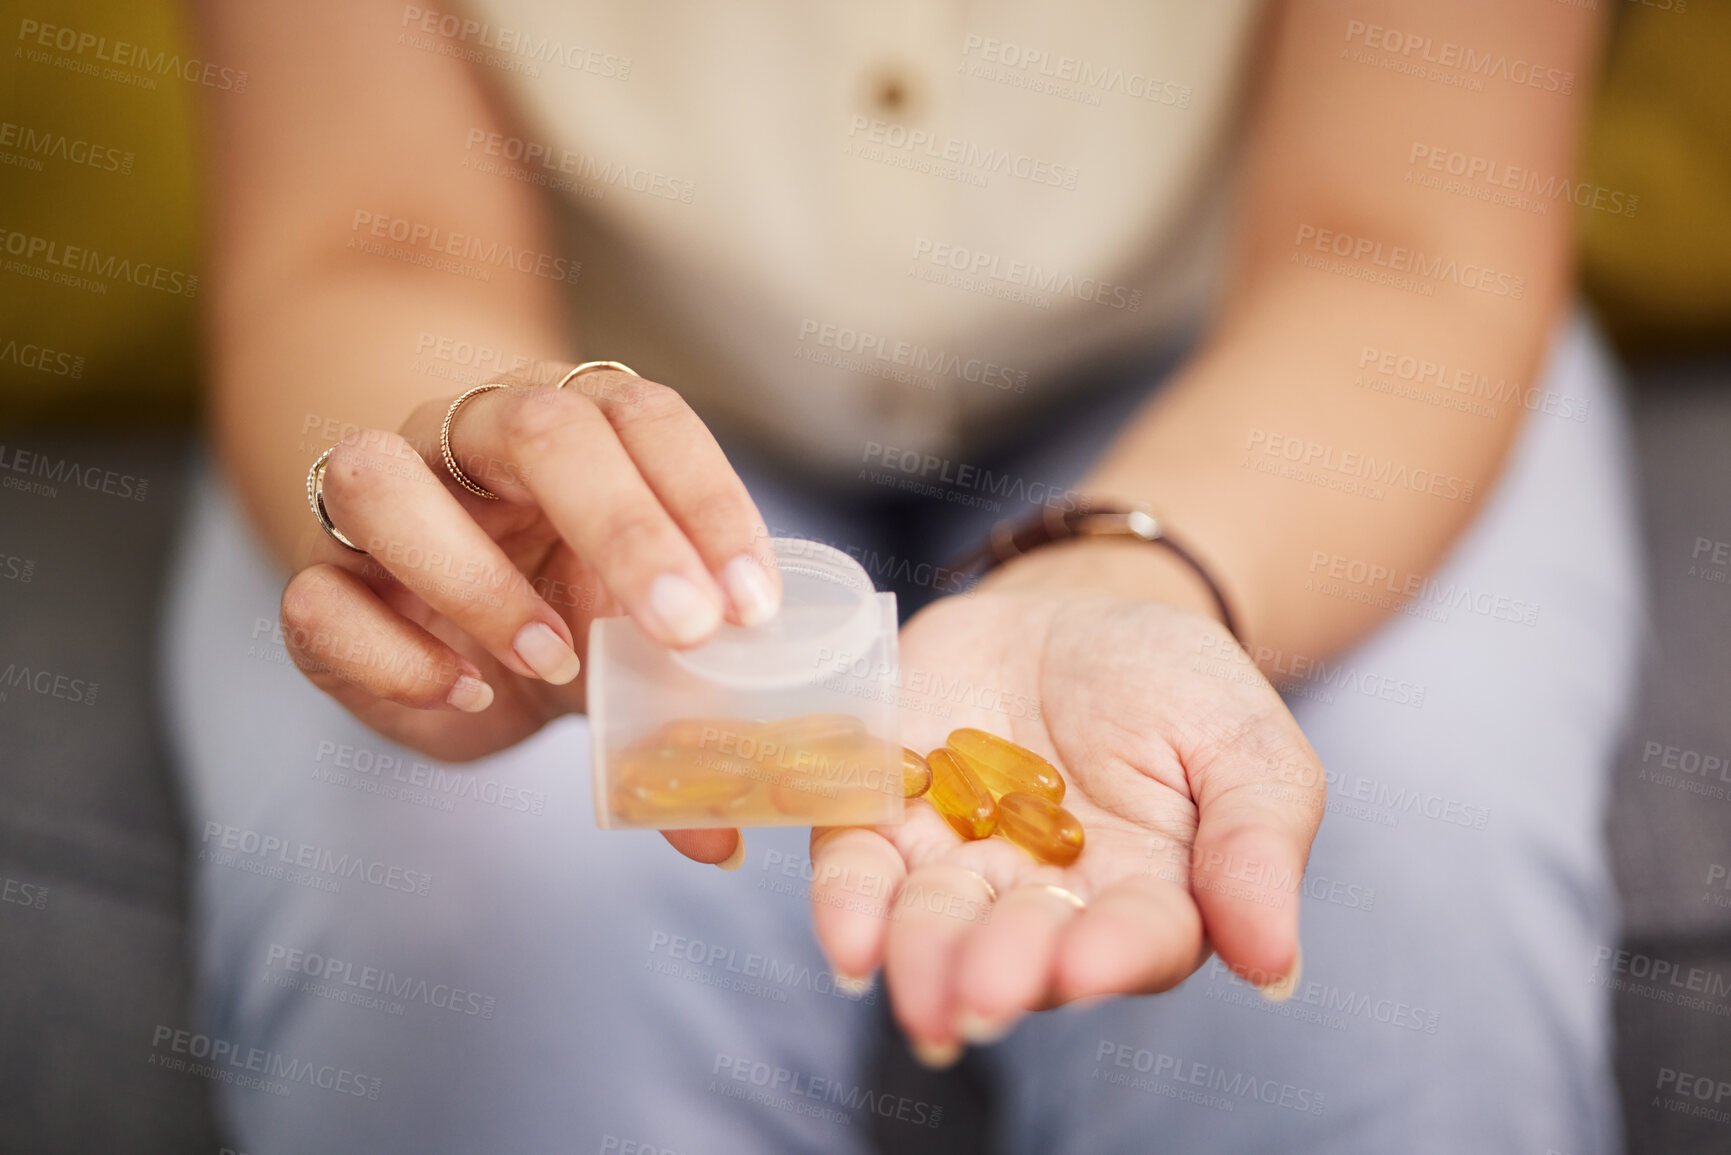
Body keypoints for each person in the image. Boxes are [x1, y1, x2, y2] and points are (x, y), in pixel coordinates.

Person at [166, 1, 1638, 1151]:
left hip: (1291, 365)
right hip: (586, 393)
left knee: (1391, 873)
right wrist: (472, 514)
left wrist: (1140, 580)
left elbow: (1397, 246)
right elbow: (366, 241)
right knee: (478, 891)